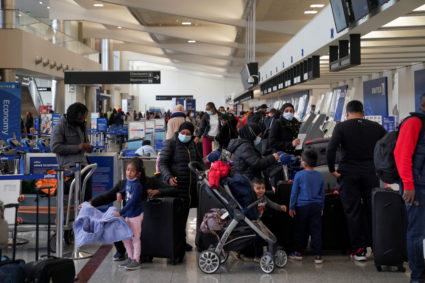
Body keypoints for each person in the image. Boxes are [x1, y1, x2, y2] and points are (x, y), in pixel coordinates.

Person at [326, 100, 386, 262]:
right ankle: (376, 246)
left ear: (347, 113)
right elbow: (388, 145)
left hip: (348, 173)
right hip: (370, 173)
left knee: (353, 211)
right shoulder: (376, 127)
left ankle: (358, 250)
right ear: (363, 112)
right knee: (371, 210)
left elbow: (331, 149)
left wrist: (332, 169)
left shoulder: (341, 127)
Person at [394, 93, 425, 283]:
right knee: (417, 233)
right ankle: (418, 277)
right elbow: (401, 154)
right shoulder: (414, 123)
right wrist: (408, 184)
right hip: (418, 188)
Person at [159, 122, 202, 251]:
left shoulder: (193, 145)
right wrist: (168, 177)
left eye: (188, 134)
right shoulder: (171, 143)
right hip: (175, 186)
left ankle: (181, 242)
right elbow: (162, 163)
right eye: (183, 133)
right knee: (175, 217)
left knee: (183, 216)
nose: (185, 135)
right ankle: (174, 243)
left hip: (189, 188)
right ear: (179, 131)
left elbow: (198, 162)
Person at [288, 149, 325, 264]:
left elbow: (294, 193)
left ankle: (298, 252)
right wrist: (322, 207)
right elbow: (322, 193)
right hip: (316, 206)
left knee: (300, 229)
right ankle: (318, 255)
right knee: (316, 230)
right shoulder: (319, 176)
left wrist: (291, 207)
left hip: (302, 206)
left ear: (305, 163)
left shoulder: (299, 175)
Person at [51, 103, 93, 199]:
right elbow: (55, 147)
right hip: (69, 169)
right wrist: (77, 147)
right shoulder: (60, 126)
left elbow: (85, 142)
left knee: (86, 197)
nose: (82, 120)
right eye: (80, 118)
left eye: (83, 117)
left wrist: (88, 147)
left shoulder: (81, 126)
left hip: (84, 165)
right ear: (72, 115)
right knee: (75, 198)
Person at [113, 158, 145, 270]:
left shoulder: (138, 186)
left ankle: (136, 260)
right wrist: (119, 193)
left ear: (138, 173)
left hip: (135, 215)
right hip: (128, 215)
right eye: (127, 170)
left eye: (132, 170)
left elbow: (132, 202)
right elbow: (125, 191)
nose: (129, 172)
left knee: (135, 238)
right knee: (126, 237)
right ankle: (130, 257)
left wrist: (121, 212)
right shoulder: (128, 182)